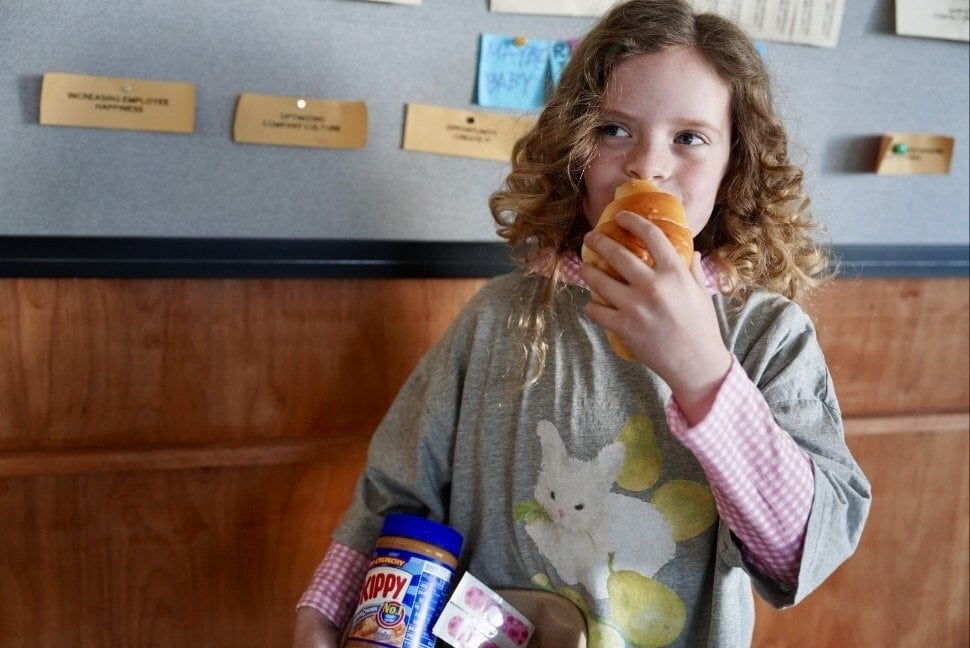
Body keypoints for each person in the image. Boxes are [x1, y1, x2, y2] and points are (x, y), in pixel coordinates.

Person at [293, 1, 871, 646]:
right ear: (573, 149)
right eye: (614, 130)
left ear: (735, 164)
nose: (647, 165)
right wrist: (330, 604)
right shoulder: (499, 316)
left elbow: (798, 557)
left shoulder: (768, 335)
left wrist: (705, 374)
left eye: (689, 137)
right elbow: (399, 489)